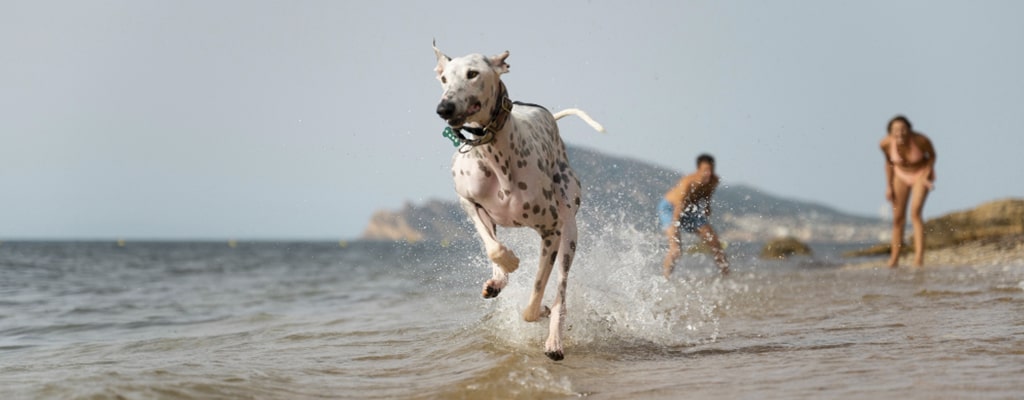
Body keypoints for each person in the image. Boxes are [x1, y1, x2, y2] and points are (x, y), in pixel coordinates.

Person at [659, 154, 729, 277]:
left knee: (715, 243)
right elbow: (678, 208)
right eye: (705, 170)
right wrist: (675, 230)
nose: (708, 173)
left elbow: (707, 193)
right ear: (698, 170)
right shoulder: (687, 182)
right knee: (676, 250)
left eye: (711, 170)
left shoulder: (714, 180)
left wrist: (707, 205)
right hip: (670, 208)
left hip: (690, 210)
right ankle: (665, 278)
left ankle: (727, 277)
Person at [880, 115, 936, 267]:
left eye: (903, 129)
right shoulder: (885, 144)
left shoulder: (921, 140)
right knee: (898, 218)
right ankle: (894, 259)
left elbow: (932, 156)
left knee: (915, 213)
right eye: (896, 130)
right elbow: (889, 163)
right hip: (900, 175)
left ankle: (918, 259)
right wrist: (889, 186)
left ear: (909, 130)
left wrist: (927, 174)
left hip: (920, 173)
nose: (900, 133)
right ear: (890, 132)